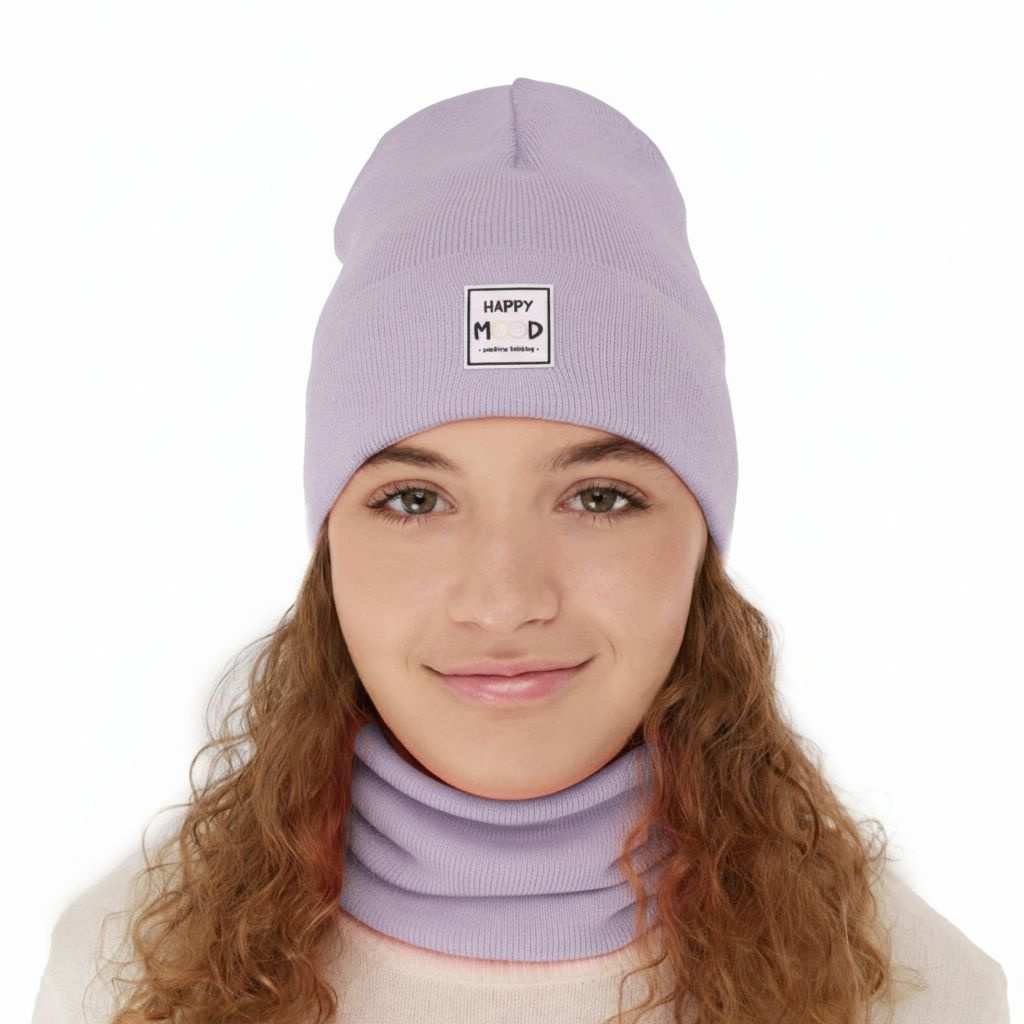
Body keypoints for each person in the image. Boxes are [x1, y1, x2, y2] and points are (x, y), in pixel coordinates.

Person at [32, 76, 1009, 1024]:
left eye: (599, 497)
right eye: (415, 499)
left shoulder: (911, 995)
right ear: (328, 547)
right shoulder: (127, 978)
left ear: (702, 544)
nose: (503, 601)